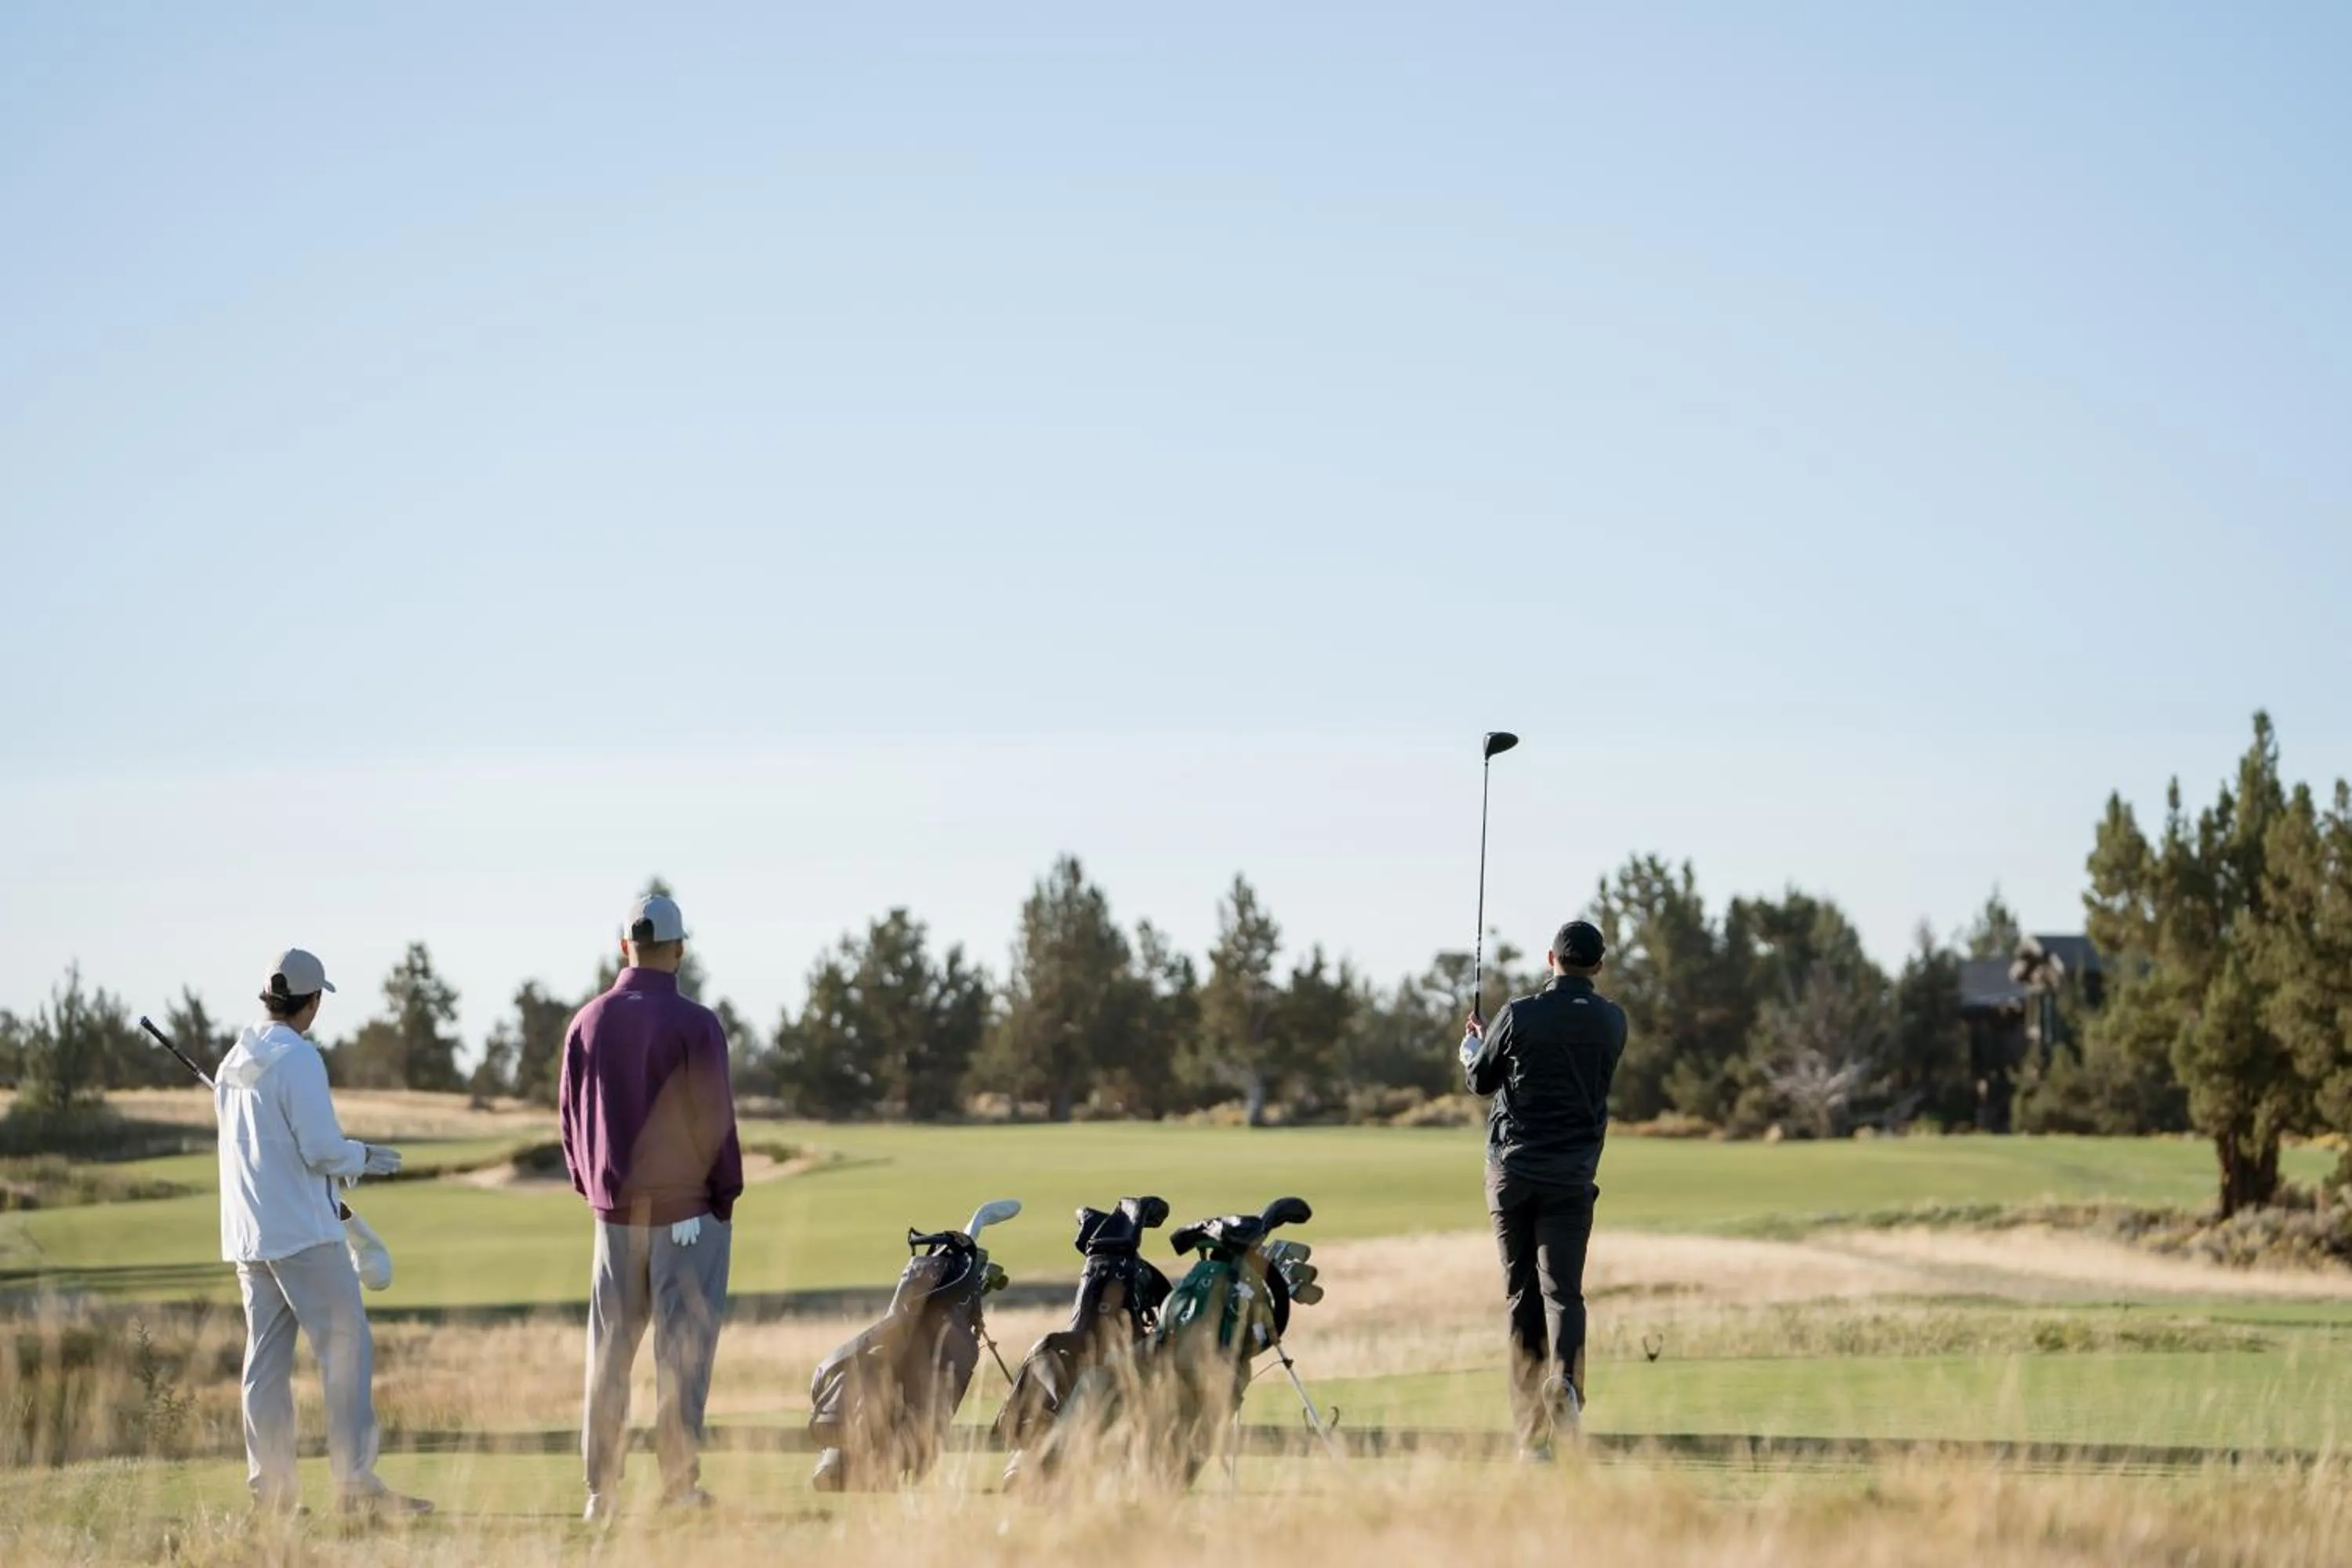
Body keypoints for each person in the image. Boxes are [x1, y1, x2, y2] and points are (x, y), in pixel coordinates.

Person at [215, 947, 431, 1515]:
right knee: (347, 1352)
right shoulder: (300, 1059)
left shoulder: (234, 1060)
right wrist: (361, 1155)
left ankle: (274, 1495)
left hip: (250, 1238)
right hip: (305, 1237)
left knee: (265, 1366)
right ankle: (356, 1488)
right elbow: (320, 1150)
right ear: (310, 1003)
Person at [561, 892, 744, 1522]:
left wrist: (595, 1194)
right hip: (690, 1216)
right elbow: (715, 1122)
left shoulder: (586, 1022)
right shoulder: (697, 1024)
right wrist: (723, 1197)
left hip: (613, 1218)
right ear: (680, 949)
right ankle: (678, 1487)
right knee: (682, 1355)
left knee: (609, 1355)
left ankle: (600, 1495)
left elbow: (568, 1122)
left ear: (623, 948)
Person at [1459, 918, 1628, 1461]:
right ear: (1598, 967)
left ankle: (1531, 1440)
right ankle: (1567, 1385)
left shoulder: (1519, 1014)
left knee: (1521, 1298)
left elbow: (1481, 1083)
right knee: (1564, 1292)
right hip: (1571, 1176)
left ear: (1549, 958)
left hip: (1511, 1173)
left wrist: (1473, 1049)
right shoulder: (1612, 1022)